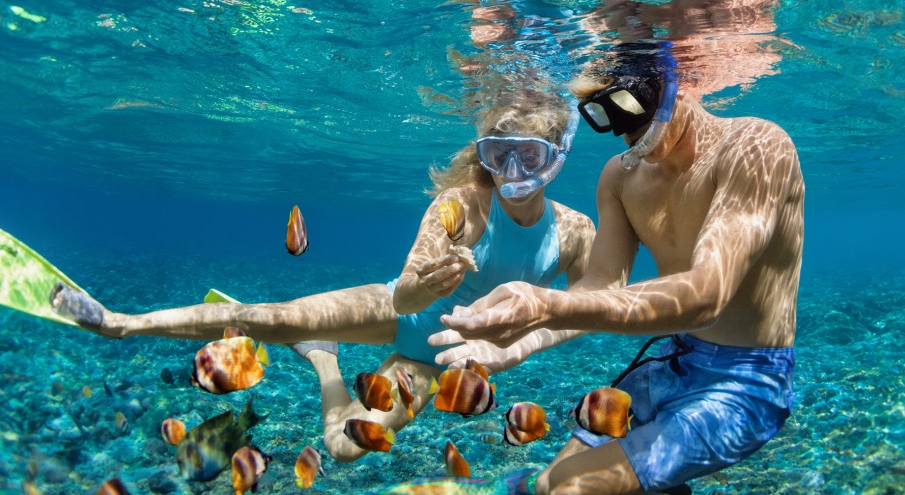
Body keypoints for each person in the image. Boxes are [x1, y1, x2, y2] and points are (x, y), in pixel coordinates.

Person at [50, 87, 596, 463]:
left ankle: (322, 357)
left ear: (556, 158)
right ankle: (120, 322)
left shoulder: (575, 232)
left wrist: (526, 337)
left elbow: (593, 307)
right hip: (394, 311)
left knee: (344, 448)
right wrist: (427, 283)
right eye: (498, 155)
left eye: (528, 155)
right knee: (261, 318)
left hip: (433, 361)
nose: (512, 172)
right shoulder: (463, 205)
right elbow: (405, 293)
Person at [429, 47, 803, 494]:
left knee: (572, 488)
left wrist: (547, 307)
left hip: (745, 383)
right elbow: (602, 283)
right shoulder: (620, 177)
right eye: (610, 120)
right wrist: (524, 342)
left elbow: (708, 293)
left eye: (634, 113)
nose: (628, 137)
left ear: (674, 86)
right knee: (548, 483)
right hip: (673, 360)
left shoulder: (756, 146)